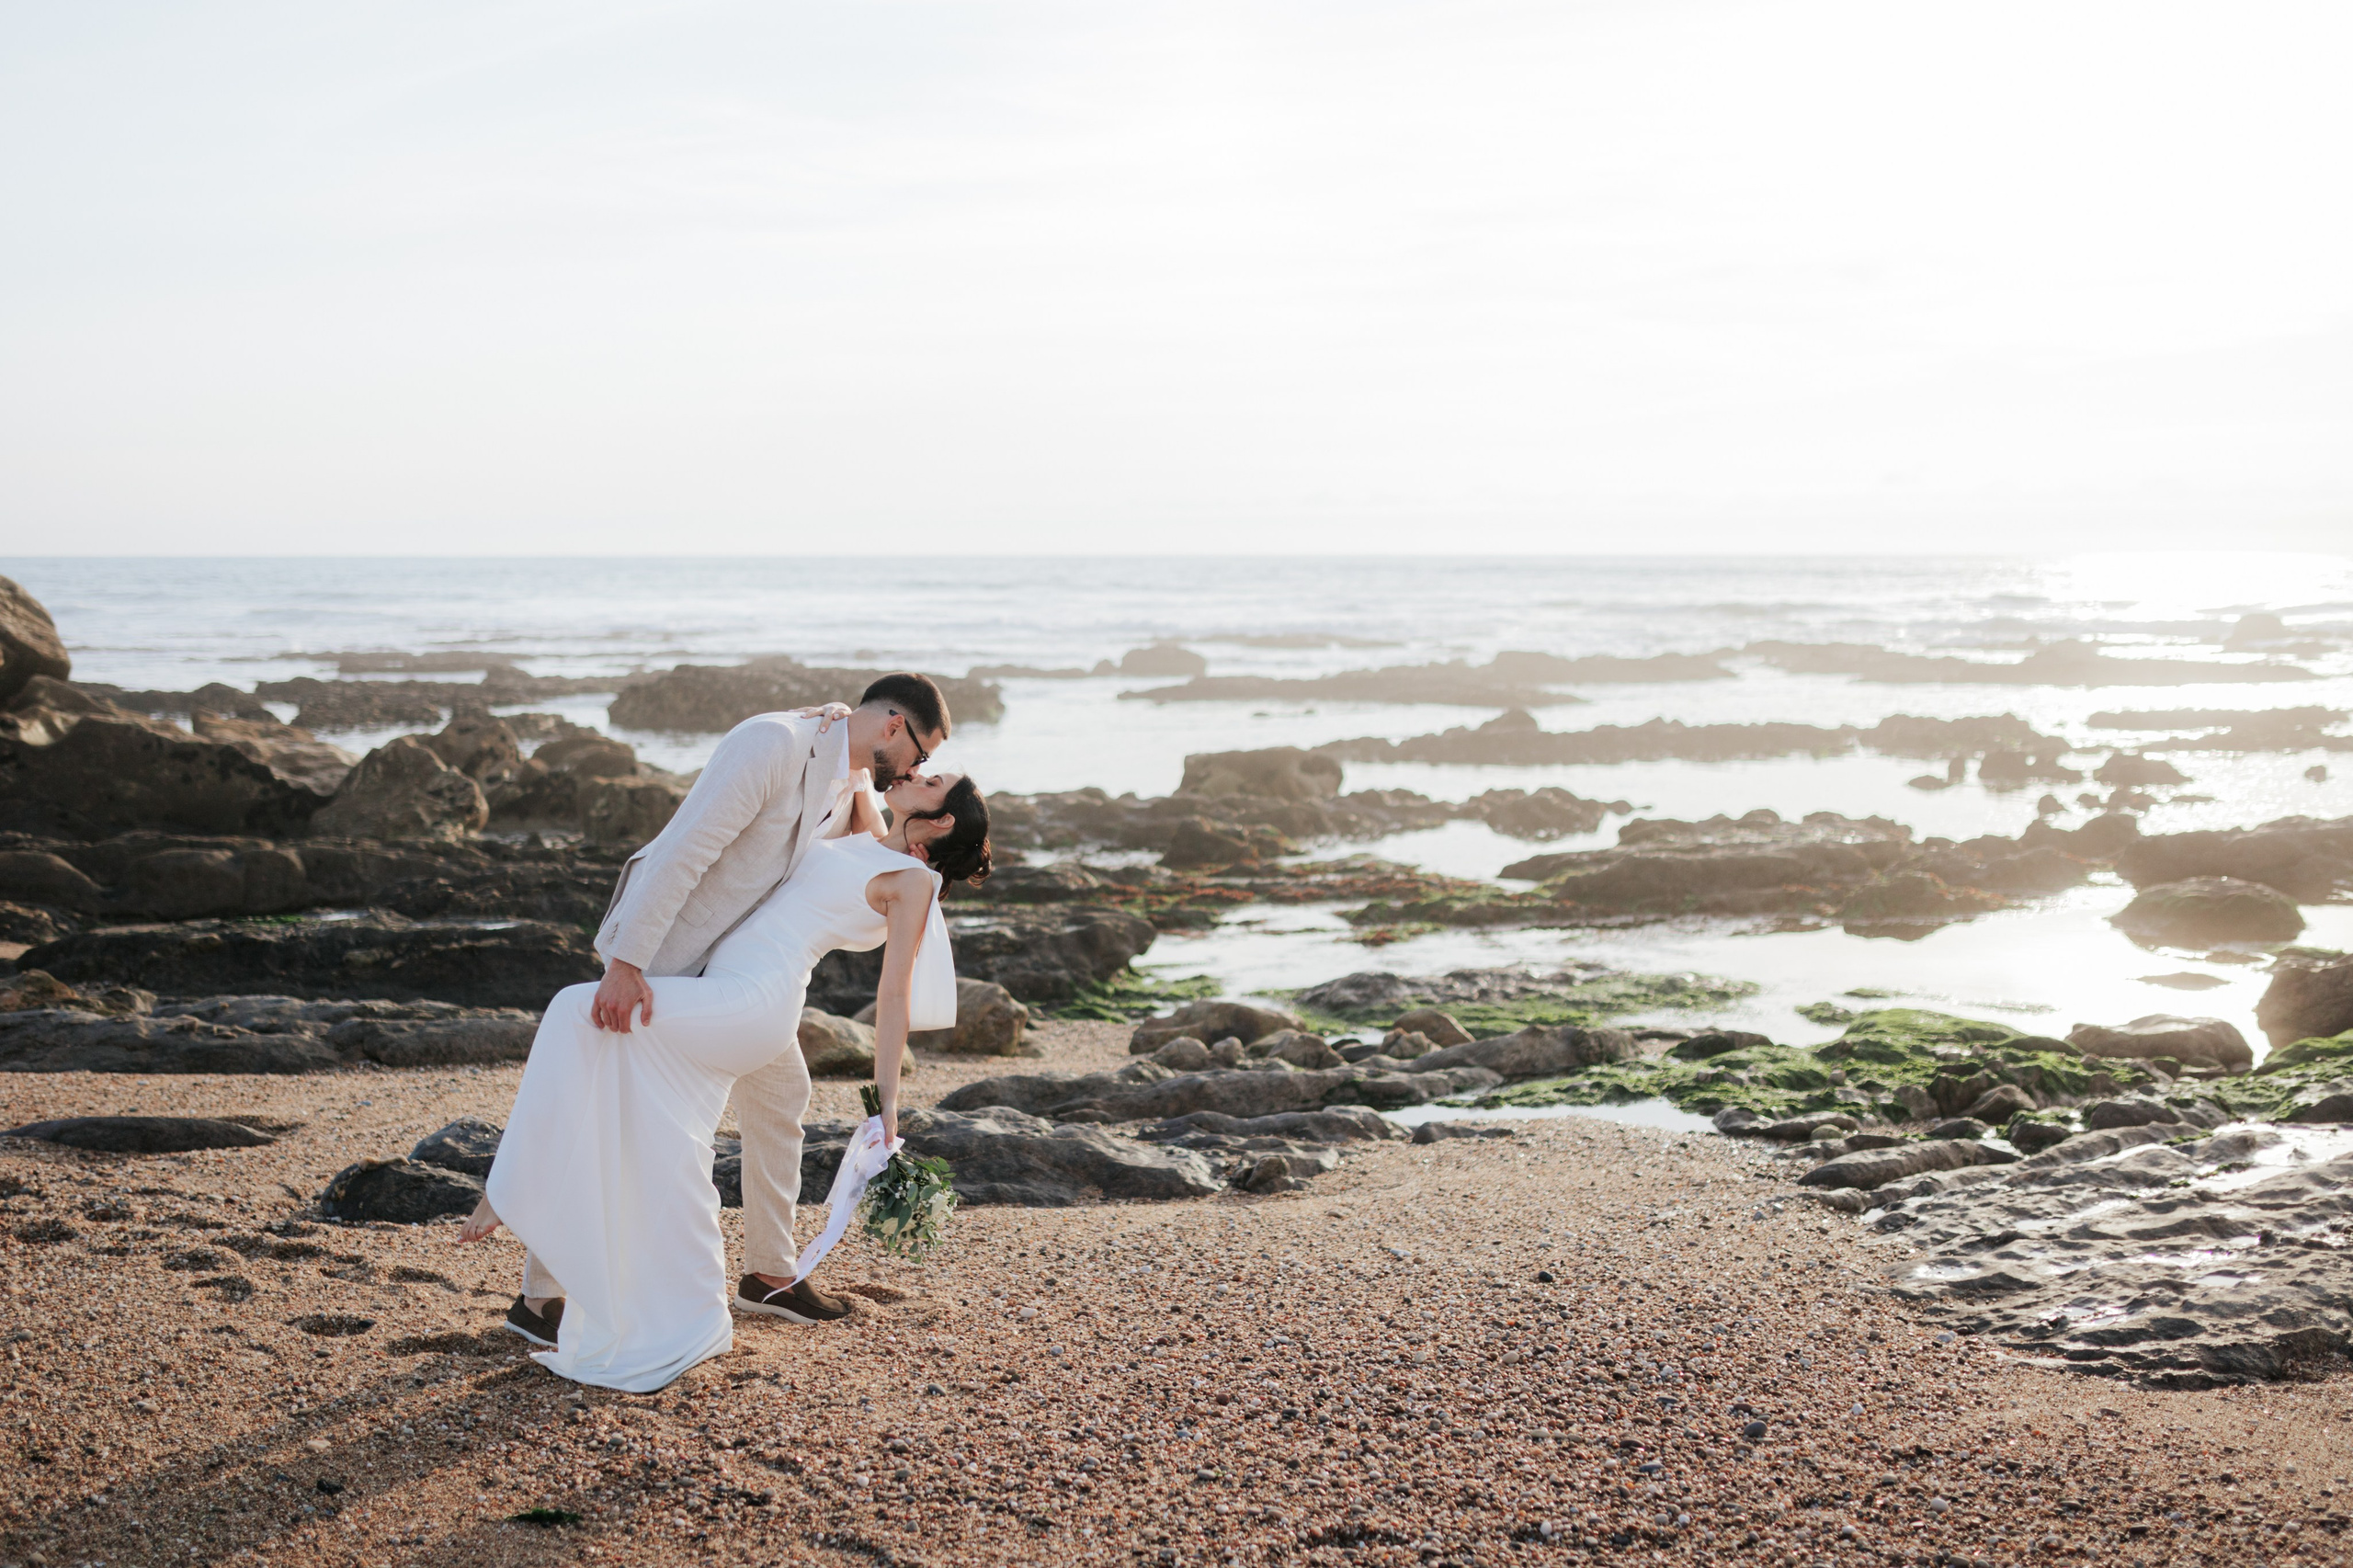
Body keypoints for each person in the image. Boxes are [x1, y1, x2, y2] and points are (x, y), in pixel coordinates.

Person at [458, 770, 992, 1392]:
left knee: (576, 1012)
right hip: (733, 989)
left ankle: (510, 1187)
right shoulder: (870, 832)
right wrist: (840, 740)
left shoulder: (914, 883)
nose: (914, 772)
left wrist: (886, 1104)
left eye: (931, 779)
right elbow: (853, 764)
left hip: (754, 1001)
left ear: (942, 820)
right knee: (630, 1069)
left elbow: (894, 995)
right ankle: (748, 1276)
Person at [499, 673, 951, 1350]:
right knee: (616, 1115)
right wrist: (626, 964)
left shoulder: (851, 773)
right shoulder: (771, 743)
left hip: (741, 969)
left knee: (781, 1094)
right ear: (893, 726)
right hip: (671, 953)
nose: (917, 770)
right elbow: (686, 851)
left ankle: (769, 1273)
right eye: (921, 754)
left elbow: (877, 850)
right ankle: (540, 1299)